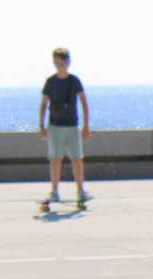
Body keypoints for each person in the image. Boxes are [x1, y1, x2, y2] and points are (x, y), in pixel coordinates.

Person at [39, 48, 92, 205]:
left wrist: (86, 127)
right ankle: (54, 191)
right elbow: (43, 104)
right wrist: (41, 126)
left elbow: (84, 103)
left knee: (77, 158)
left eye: (62, 63)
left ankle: (80, 191)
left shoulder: (74, 81)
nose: (60, 66)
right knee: (55, 158)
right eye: (57, 63)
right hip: (54, 125)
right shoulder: (50, 82)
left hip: (72, 125)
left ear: (68, 62)